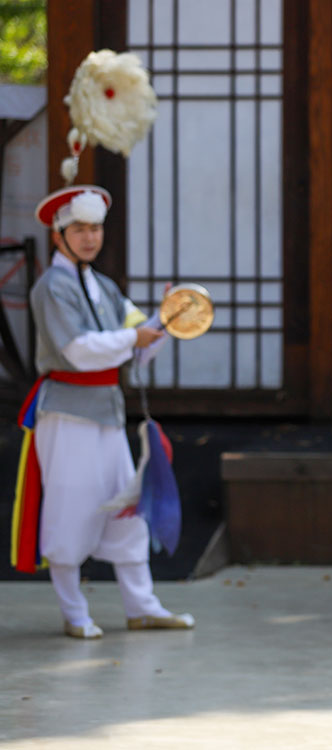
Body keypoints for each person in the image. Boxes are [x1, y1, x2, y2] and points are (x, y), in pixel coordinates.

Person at [13, 185, 194, 639]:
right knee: (71, 508)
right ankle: (75, 614)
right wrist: (136, 338)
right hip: (69, 411)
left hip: (107, 413)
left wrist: (166, 320)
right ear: (59, 235)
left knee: (126, 508)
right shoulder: (51, 287)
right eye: (80, 229)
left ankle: (143, 606)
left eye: (95, 228)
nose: (91, 237)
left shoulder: (105, 286)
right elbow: (78, 351)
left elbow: (139, 346)